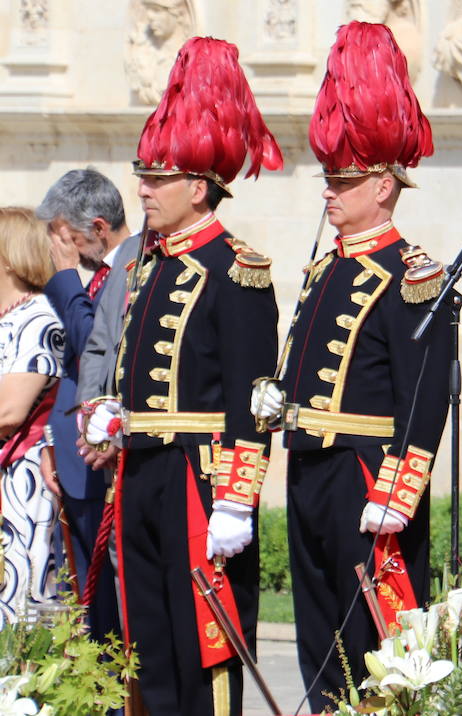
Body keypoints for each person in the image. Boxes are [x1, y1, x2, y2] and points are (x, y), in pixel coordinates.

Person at [248, 21, 449, 712]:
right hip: (311, 465)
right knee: (320, 637)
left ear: (385, 185)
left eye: (344, 179)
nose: (330, 191)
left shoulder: (410, 274)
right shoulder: (326, 266)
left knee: (372, 636)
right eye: (329, 177)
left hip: (364, 472)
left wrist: (397, 488)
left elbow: (422, 396)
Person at [81, 37, 282, 715]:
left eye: (157, 178)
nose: (143, 189)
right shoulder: (148, 265)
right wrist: (110, 415)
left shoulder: (236, 269)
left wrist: (237, 498)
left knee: (205, 654)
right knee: (152, 651)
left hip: (199, 482)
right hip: (138, 474)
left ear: (197, 187)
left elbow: (256, 400)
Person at [34, 168, 131, 634]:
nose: (59, 252)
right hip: (76, 462)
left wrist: (66, 278)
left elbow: (96, 346)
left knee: (107, 608)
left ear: (95, 228)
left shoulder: (132, 264)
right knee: (86, 609)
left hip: (103, 461)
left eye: (65, 239)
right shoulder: (95, 274)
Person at [0, 207, 65, 626]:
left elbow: (9, 410)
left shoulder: (39, 318)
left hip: (22, 487)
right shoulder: (9, 317)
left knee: (21, 614)